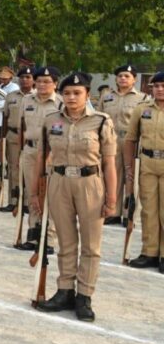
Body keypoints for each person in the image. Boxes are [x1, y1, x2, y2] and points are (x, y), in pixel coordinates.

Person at [35, 72, 117, 321]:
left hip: (90, 183)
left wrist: (111, 199)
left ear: (87, 94)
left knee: (91, 245)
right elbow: (41, 157)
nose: (71, 97)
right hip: (59, 182)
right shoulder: (51, 120)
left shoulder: (101, 122)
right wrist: (35, 192)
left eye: (77, 93)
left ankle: (84, 296)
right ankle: (65, 291)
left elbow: (109, 163)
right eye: (67, 93)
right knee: (66, 241)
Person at [16, 67, 63, 250]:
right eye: (39, 81)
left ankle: (49, 239)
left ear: (55, 84)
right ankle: (33, 235)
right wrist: (20, 152)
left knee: (49, 195)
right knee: (32, 193)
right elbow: (22, 127)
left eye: (47, 81)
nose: (42, 85)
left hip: (52, 153)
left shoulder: (60, 103)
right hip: (31, 151)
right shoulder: (27, 100)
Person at [99, 64, 150, 224]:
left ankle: (129, 213)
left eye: (127, 76)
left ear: (134, 79)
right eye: (120, 76)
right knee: (112, 174)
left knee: (131, 176)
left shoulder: (143, 98)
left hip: (131, 141)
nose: (123, 78)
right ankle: (113, 211)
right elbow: (99, 118)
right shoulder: (106, 97)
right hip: (110, 140)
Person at [123, 71, 164, 270]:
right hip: (147, 163)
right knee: (148, 210)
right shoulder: (142, 109)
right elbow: (130, 139)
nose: (160, 89)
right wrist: (129, 168)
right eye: (156, 86)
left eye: (163, 86)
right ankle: (150, 252)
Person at [1, 65, 34, 212]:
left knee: (28, 169)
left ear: (33, 80)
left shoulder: (37, 97)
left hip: (31, 138)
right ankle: (13, 201)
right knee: (13, 168)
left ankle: (26, 202)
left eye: (28, 77)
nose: (24, 80)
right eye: (22, 77)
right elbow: (5, 117)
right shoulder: (11, 96)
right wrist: (1, 139)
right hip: (13, 136)